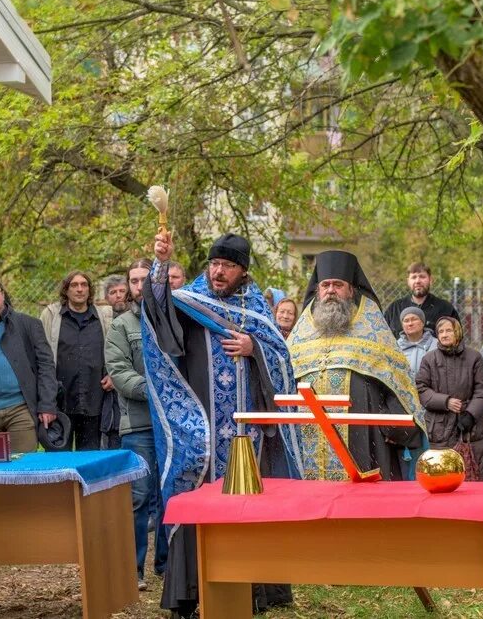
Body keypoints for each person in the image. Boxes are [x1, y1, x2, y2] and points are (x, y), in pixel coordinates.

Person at [143, 231, 302, 618]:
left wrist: (255, 348)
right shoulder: (190, 300)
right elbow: (158, 313)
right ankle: (191, 591)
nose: (218, 272)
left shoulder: (257, 310)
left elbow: (283, 362)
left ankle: (253, 592)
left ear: (242, 271)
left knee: (248, 505)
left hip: (248, 437)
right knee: (198, 501)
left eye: (227, 266)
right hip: (202, 431)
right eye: (214, 264)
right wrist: (160, 264)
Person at [288, 250, 427, 481]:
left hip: (363, 437)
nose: (331, 290)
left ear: (351, 290)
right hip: (307, 435)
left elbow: (396, 378)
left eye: (338, 285)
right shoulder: (301, 333)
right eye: (325, 285)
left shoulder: (373, 329)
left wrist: (397, 425)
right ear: (318, 290)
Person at [105, 258, 168, 590]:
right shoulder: (121, 326)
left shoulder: (173, 321)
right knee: (140, 496)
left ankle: (168, 565)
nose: (139, 285)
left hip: (174, 425)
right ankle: (135, 568)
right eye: (134, 280)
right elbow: (119, 371)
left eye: (146, 278)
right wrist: (156, 392)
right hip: (139, 423)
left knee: (170, 493)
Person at [0, 275, 60, 453]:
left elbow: (46, 366)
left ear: (3, 294)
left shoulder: (29, 325)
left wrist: (47, 404)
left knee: (23, 469)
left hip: (20, 410)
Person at [40, 271, 114, 450]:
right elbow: (41, 357)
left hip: (94, 399)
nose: (80, 289)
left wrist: (113, 374)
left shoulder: (104, 316)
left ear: (90, 290)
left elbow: (116, 350)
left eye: (84, 285)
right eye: (74, 285)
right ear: (66, 290)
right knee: (59, 460)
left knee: (89, 459)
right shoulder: (51, 316)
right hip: (61, 400)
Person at [416, 316, 483, 479]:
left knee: (474, 473)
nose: (444, 335)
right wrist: (445, 402)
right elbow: (421, 389)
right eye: (440, 331)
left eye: (448, 330)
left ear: (457, 332)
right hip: (440, 428)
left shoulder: (474, 358)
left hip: (471, 428)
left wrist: (470, 414)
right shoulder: (429, 360)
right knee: (442, 475)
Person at [383, 262, 460, 338]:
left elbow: (457, 338)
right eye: (413, 277)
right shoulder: (395, 309)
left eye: (422, 277)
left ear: (430, 280)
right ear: (408, 282)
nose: (417, 281)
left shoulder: (445, 308)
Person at [396, 306, 436, 380]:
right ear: (402, 325)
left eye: (414, 319)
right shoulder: (395, 347)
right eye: (406, 321)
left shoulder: (436, 345)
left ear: (423, 323)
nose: (410, 323)